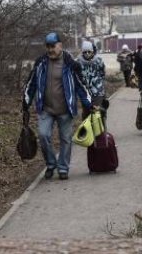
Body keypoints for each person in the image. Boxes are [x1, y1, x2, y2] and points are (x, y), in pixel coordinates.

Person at [23, 32, 93, 180]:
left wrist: (89, 104)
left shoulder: (71, 64)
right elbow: (31, 84)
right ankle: (50, 164)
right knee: (43, 135)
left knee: (66, 140)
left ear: (60, 45)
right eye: (47, 46)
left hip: (65, 109)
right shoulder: (40, 63)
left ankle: (63, 168)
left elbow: (81, 86)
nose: (50, 49)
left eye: (53, 46)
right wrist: (26, 102)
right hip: (46, 108)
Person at [78, 41, 107, 121]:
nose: (87, 54)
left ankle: (101, 132)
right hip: (85, 92)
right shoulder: (78, 62)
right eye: (85, 52)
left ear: (92, 51)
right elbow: (77, 77)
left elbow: (102, 73)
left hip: (98, 91)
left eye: (89, 52)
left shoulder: (98, 61)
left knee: (97, 113)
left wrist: (99, 83)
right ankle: (87, 132)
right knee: (86, 113)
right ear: (82, 52)